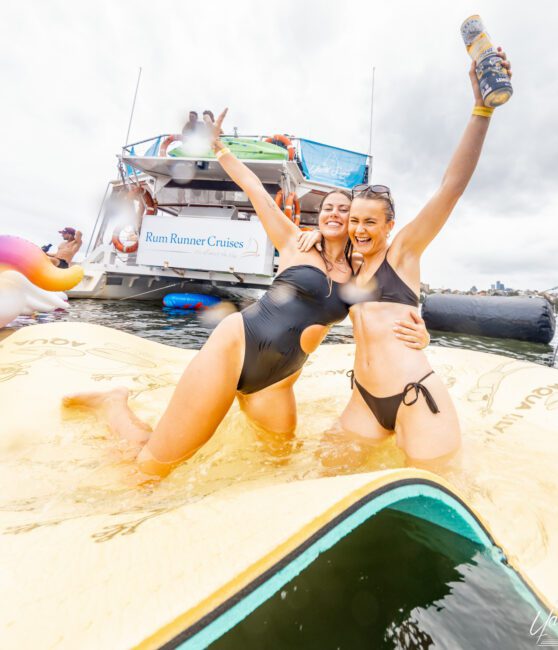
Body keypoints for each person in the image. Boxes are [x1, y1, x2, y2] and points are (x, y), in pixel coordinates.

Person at [63, 108, 430, 478]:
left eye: (344, 210)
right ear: (319, 215)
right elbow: (255, 190)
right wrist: (220, 149)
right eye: (328, 208)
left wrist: (422, 332)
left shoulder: (359, 270)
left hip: (278, 383)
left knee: (279, 469)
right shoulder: (294, 241)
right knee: (153, 467)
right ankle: (113, 404)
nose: (334, 213)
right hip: (236, 348)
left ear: (354, 222)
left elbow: (387, 311)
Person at [321, 50, 512, 472]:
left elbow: (451, 187)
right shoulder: (350, 266)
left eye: (370, 221)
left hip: (414, 397)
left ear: (390, 225)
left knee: (432, 495)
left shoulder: (402, 252)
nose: (359, 229)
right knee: (320, 470)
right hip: (364, 400)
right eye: (354, 221)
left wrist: (481, 110)